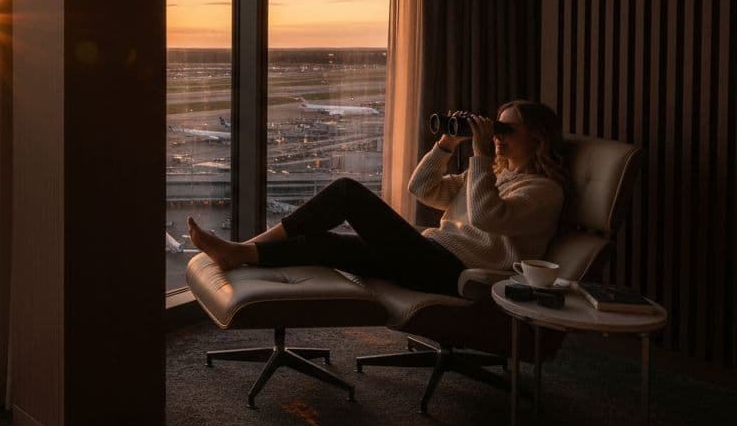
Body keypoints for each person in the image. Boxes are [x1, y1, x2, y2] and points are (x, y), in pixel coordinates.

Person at [189, 101, 567, 296]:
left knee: (347, 192)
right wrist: (447, 144)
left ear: (537, 138)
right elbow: (422, 189)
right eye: (496, 128)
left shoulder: (543, 192)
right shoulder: (490, 173)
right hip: (426, 255)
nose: (498, 136)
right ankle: (242, 254)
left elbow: (486, 217)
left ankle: (243, 249)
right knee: (325, 245)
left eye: (508, 130)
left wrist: (482, 155)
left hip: (458, 273)